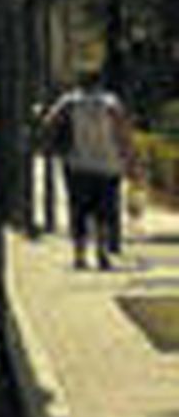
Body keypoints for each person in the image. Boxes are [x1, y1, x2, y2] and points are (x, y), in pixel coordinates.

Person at [39, 69, 136, 271]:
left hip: (77, 164)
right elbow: (123, 133)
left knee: (79, 211)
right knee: (105, 212)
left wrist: (58, 143)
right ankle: (101, 253)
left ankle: (79, 256)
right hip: (108, 165)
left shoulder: (69, 101)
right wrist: (129, 160)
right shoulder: (111, 103)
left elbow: (48, 122)